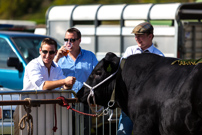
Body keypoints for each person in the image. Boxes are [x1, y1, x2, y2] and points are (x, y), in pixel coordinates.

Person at [117, 22, 164, 135]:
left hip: (148, 106)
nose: (137, 38)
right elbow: (121, 73)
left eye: (140, 35)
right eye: (136, 35)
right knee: (122, 133)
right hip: (130, 102)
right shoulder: (130, 52)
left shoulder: (160, 56)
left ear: (150, 36)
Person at [54, 28, 98, 135]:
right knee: (66, 131)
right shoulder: (59, 57)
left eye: (72, 40)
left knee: (84, 131)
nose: (69, 43)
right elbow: (50, 74)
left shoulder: (90, 56)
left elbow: (97, 76)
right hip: (64, 101)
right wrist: (56, 58)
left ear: (79, 40)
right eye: (66, 40)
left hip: (84, 101)